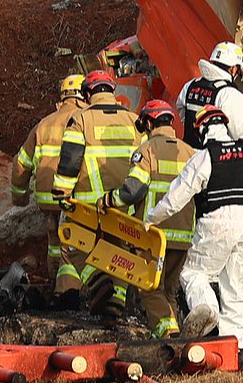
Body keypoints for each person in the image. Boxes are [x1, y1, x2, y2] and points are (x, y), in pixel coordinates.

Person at [149, 103, 243, 345]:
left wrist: (150, 219)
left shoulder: (204, 157)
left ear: (201, 130)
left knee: (192, 272)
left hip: (216, 222)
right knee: (234, 282)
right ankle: (235, 343)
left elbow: (175, 199)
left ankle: (206, 308)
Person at [65, 69, 145, 314]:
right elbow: (144, 164)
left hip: (90, 205)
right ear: (113, 91)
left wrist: (62, 191)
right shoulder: (134, 121)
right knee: (120, 254)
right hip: (123, 205)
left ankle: (97, 282)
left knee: (72, 245)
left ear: (88, 93)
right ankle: (114, 307)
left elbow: (70, 159)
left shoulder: (80, 120)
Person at [117, 99, 194, 338]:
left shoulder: (147, 150)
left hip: (153, 236)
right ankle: (178, 338)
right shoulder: (189, 151)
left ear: (149, 122)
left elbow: (134, 190)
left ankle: (167, 335)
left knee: (150, 290)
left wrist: (110, 201)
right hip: (182, 237)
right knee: (168, 292)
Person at [12, 73, 90, 294]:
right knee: (71, 246)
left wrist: (20, 197)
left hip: (47, 198)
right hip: (72, 197)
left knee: (54, 241)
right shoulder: (86, 121)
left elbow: (21, 163)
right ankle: (68, 292)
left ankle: (53, 280)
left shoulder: (43, 125)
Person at [180, 41, 243, 151]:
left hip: (188, 155)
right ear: (233, 69)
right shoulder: (230, 94)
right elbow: (240, 133)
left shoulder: (190, 85)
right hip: (215, 160)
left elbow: (183, 113)